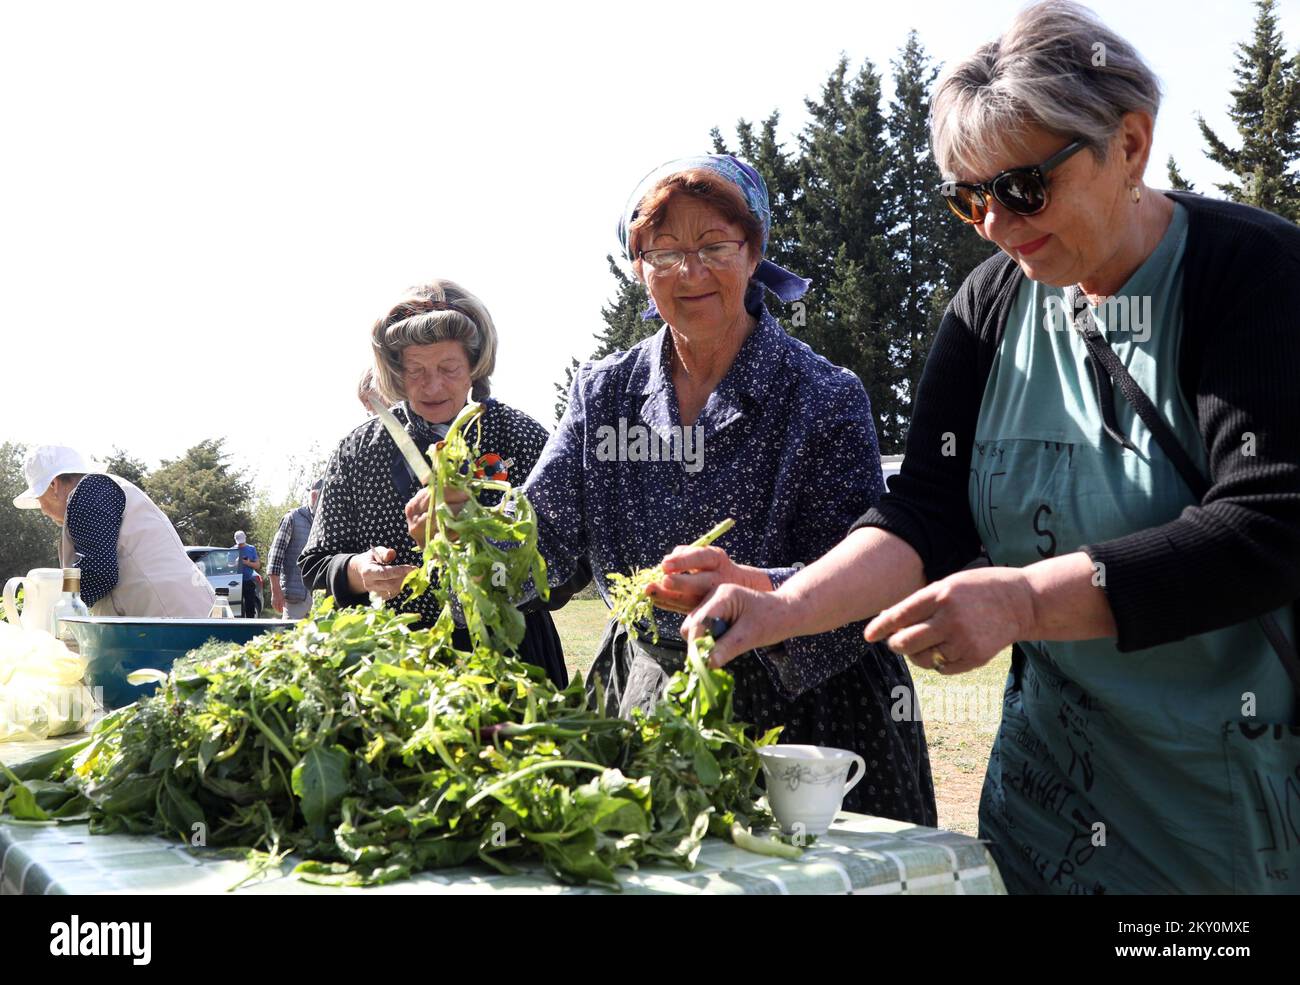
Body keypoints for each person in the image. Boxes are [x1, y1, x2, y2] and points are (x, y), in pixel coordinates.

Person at [682, 0, 1300, 893]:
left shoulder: (1255, 277)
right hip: (1044, 812)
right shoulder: (993, 303)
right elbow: (928, 510)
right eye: (969, 198)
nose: (999, 226)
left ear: (1130, 143)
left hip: (1224, 822)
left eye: (1023, 187)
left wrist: (1023, 603)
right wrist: (788, 602)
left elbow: (1270, 525)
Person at [409, 155, 937, 824]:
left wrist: (761, 589)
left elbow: (864, 581)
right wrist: (475, 532)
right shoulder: (605, 394)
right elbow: (544, 545)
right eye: (664, 252)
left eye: (714, 245)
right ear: (639, 269)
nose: (691, 271)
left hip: (810, 722)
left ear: (753, 253)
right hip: (653, 704)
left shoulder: (822, 397)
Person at [299, 279, 581, 688]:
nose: (432, 387)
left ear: (473, 365)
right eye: (416, 371)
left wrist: (484, 556)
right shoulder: (359, 450)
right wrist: (359, 571)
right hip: (396, 664)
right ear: (396, 372)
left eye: (448, 369)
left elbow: (570, 565)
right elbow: (316, 562)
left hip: (512, 660)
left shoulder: (520, 438)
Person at [12, 445, 215, 617]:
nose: (43, 511)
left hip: (171, 621)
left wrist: (52, 607)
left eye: (39, 500)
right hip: (182, 614)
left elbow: (99, 572)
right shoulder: (99, 490)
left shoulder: (89, 491)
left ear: (53, 485)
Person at [267, 479, 321, 619]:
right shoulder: (292, 518)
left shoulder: (327, 521)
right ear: (311, 495)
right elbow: (275, 556)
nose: (315, 498)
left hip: (320, 596)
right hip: (295, 596)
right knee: (290, 635)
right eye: (313, 494)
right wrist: (276, 590)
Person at [231, 530, 260, 618]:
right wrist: (236, 563)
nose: (240, 544)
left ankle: (250, 623)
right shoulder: (232, 550)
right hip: (234, 583)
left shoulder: (252, 549)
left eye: (242, 542)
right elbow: (228, 567)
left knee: (250, 606)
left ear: (245, 539)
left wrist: (247, 563)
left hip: (248, 581)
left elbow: (257, 566)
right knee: (237, 607)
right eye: (239, 542)